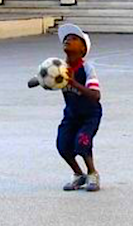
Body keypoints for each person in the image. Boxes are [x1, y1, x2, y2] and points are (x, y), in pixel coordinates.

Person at [56, 23, 102, 192]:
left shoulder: (87, 69)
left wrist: (73, 83)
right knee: (63, 145)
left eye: (74, 39)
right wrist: (41, 78)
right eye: (66, 38)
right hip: (71, 114)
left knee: (82, 142)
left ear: (83, 49)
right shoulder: (58, 68)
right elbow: (43, 79)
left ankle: (92, 173)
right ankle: (78, 174)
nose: (68, 40)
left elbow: (96, 95)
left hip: (90, 114)